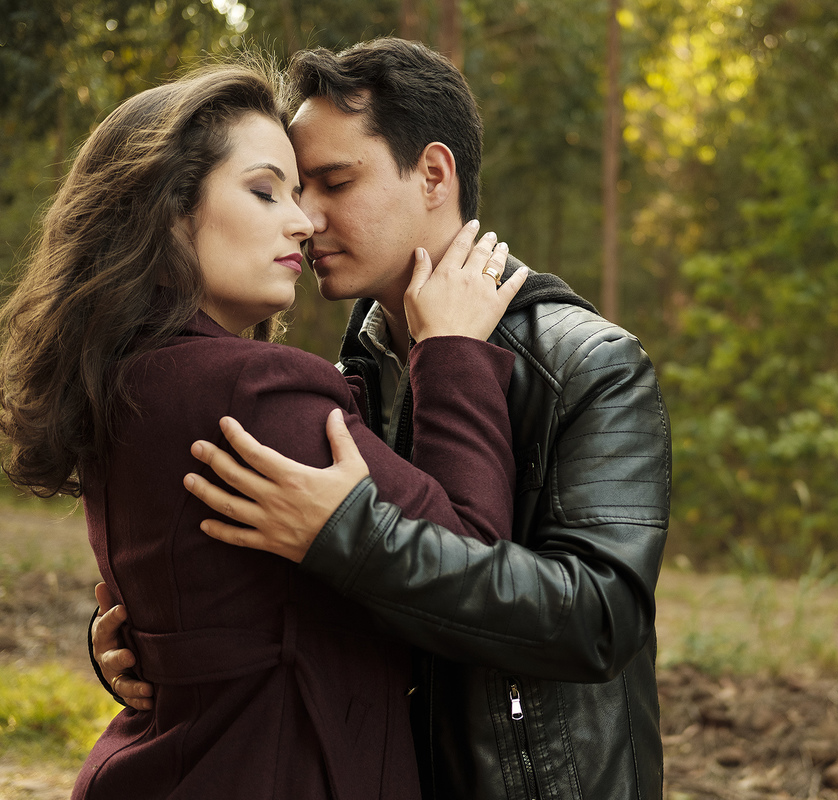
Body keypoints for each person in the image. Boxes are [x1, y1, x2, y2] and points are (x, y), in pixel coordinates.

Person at [94, 38, 672, 799]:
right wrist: (150, 639)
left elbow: (599, 619)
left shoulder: (587, 365)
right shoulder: (353, 365)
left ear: (434, 174)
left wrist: (352, 537)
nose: (306, 217)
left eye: (334, 182)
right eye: (295, 189)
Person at [0, 61, 529, 799]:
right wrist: (452, 354)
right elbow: (472, 564)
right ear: (169, 209)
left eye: (311, 189)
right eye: (264, 190)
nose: (304, 220)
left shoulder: (123, 372)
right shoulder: (252, 388)